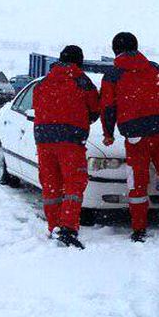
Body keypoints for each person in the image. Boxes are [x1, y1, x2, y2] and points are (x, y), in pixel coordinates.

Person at [99, 31, 159, 242]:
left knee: (137, 184)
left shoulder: (113, 75)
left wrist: (108, 134)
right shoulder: (155, 68)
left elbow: (108, 107)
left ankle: (139, 229)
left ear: (115, 50)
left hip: (136, 135)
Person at [34, 45, 101, 248]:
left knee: (50, 184)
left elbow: (36, 105)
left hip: (44, 139)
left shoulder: (44, 82)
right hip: (70, 141)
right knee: (73, 184)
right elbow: (95, 108)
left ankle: (53, 226)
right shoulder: (82, 81)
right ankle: (68, 228)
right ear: (79, 61)